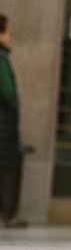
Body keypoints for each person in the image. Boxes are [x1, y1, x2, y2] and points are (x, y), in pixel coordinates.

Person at [0, 14, 24, 229]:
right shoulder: (0, 58)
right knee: (6, 167)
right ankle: (5, 214)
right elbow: (8, 94)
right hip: (3, 126)